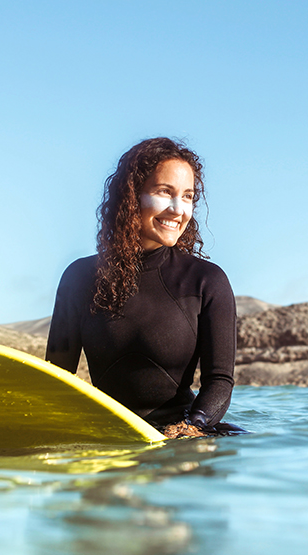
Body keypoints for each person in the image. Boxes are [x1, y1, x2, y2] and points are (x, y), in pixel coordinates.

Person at [46, 137, 239, 438]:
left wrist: (192, 427)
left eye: (188, 197)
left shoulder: (206, 281)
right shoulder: (79, 278)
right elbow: (56, 377)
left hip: (182, 441)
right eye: (165, 192)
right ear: (131, 195)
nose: (179, 209)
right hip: (108, 436)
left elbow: (220, 381)